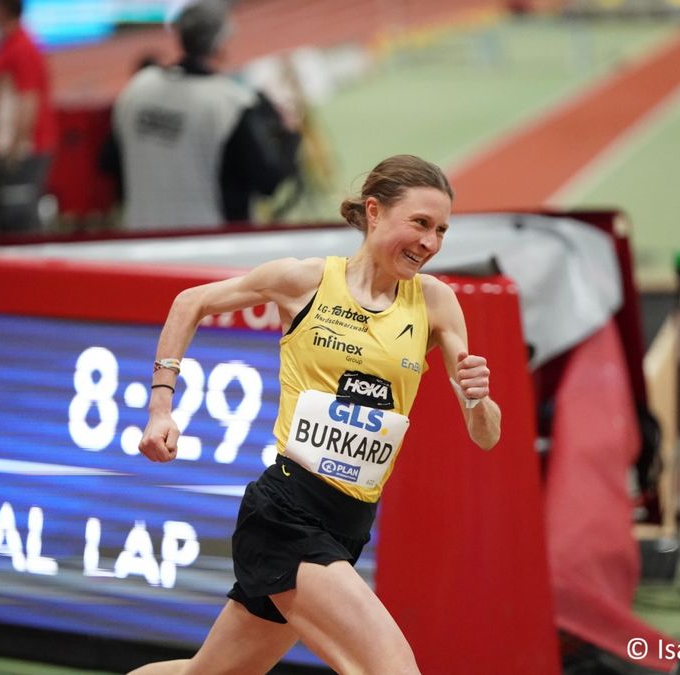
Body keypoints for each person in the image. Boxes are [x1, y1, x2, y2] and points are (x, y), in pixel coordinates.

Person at [132, 155, 501, 674]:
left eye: (441, 230)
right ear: (374, 212)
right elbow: (190, 302)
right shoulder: (304, 281)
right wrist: (160, 408)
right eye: (420, 223)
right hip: (286, 513)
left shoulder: (435, 302)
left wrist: (479, 400)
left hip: (348, 525)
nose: (430, 243)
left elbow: (485, 435)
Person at [105, 0, 300, 230]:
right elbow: (268, 182)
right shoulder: (231, 103)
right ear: (222, 45)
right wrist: (290, 137)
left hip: (141, 237)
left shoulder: (138, 88)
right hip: (209, 241)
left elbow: (108, 161)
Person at [0, 0, 57, 232]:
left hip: (23, 151)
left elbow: (28, 100)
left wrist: (15, 149)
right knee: (13, 214)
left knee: (20, 216)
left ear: (2, 11)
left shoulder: (21, 48)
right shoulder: (9, 44)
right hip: (16, 148)